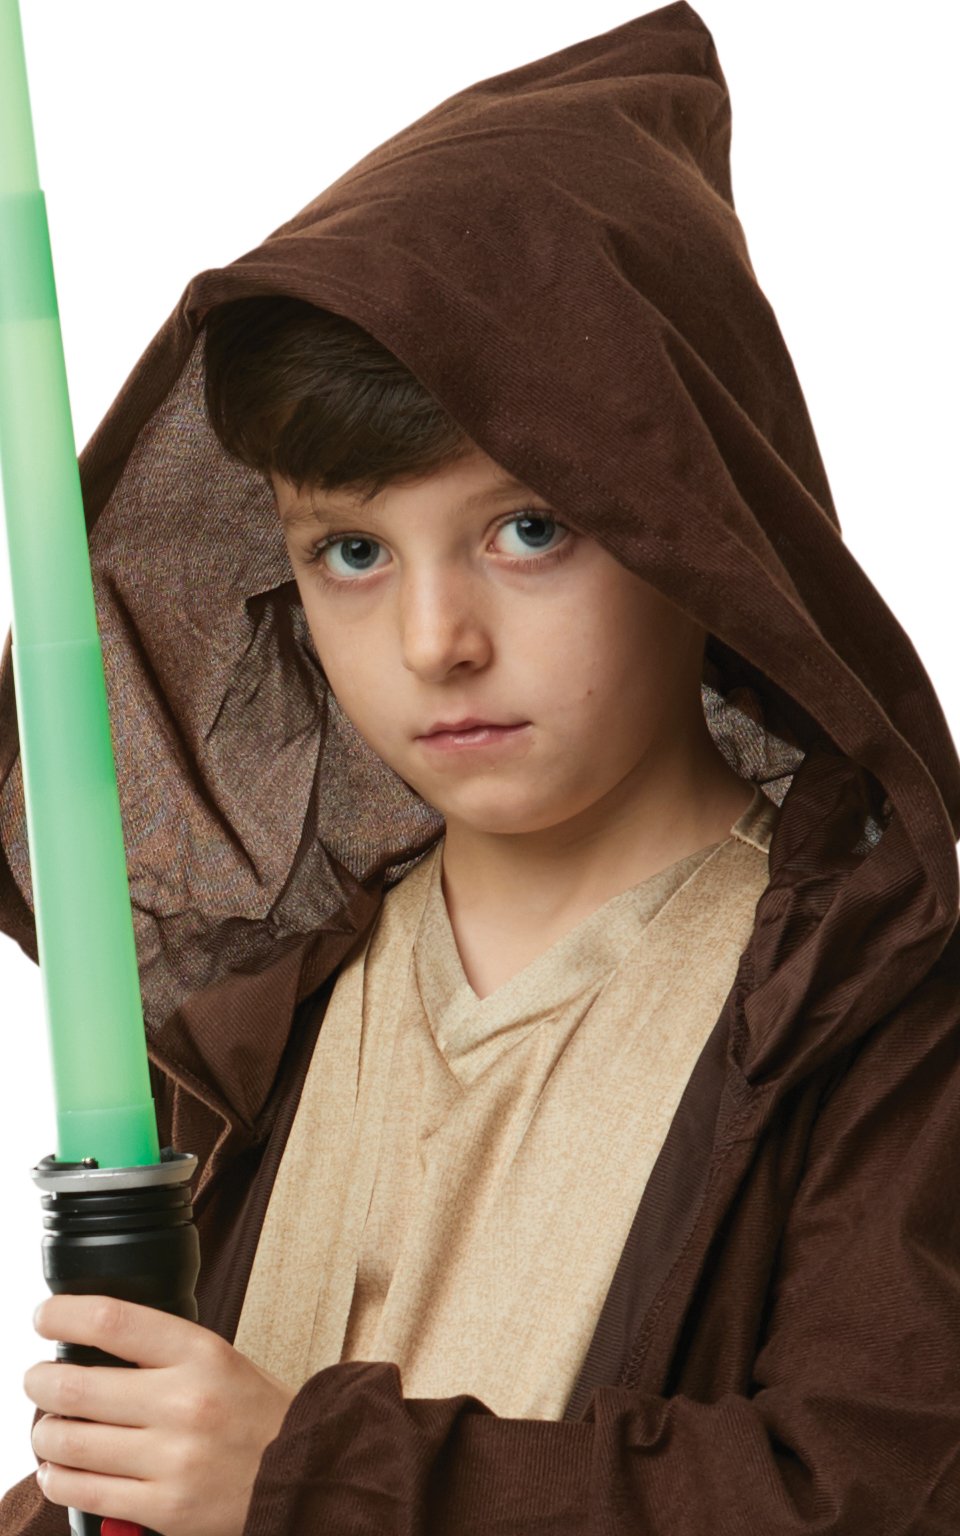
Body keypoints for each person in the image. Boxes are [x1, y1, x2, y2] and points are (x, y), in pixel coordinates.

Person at [0, 2, 958, 1532]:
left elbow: (865, 1491)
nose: (435, 640)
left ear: (684, 522)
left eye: (528, 528)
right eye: (352, 550)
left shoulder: (872, 1007)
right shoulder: (272, 1019)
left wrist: (300, 1474)